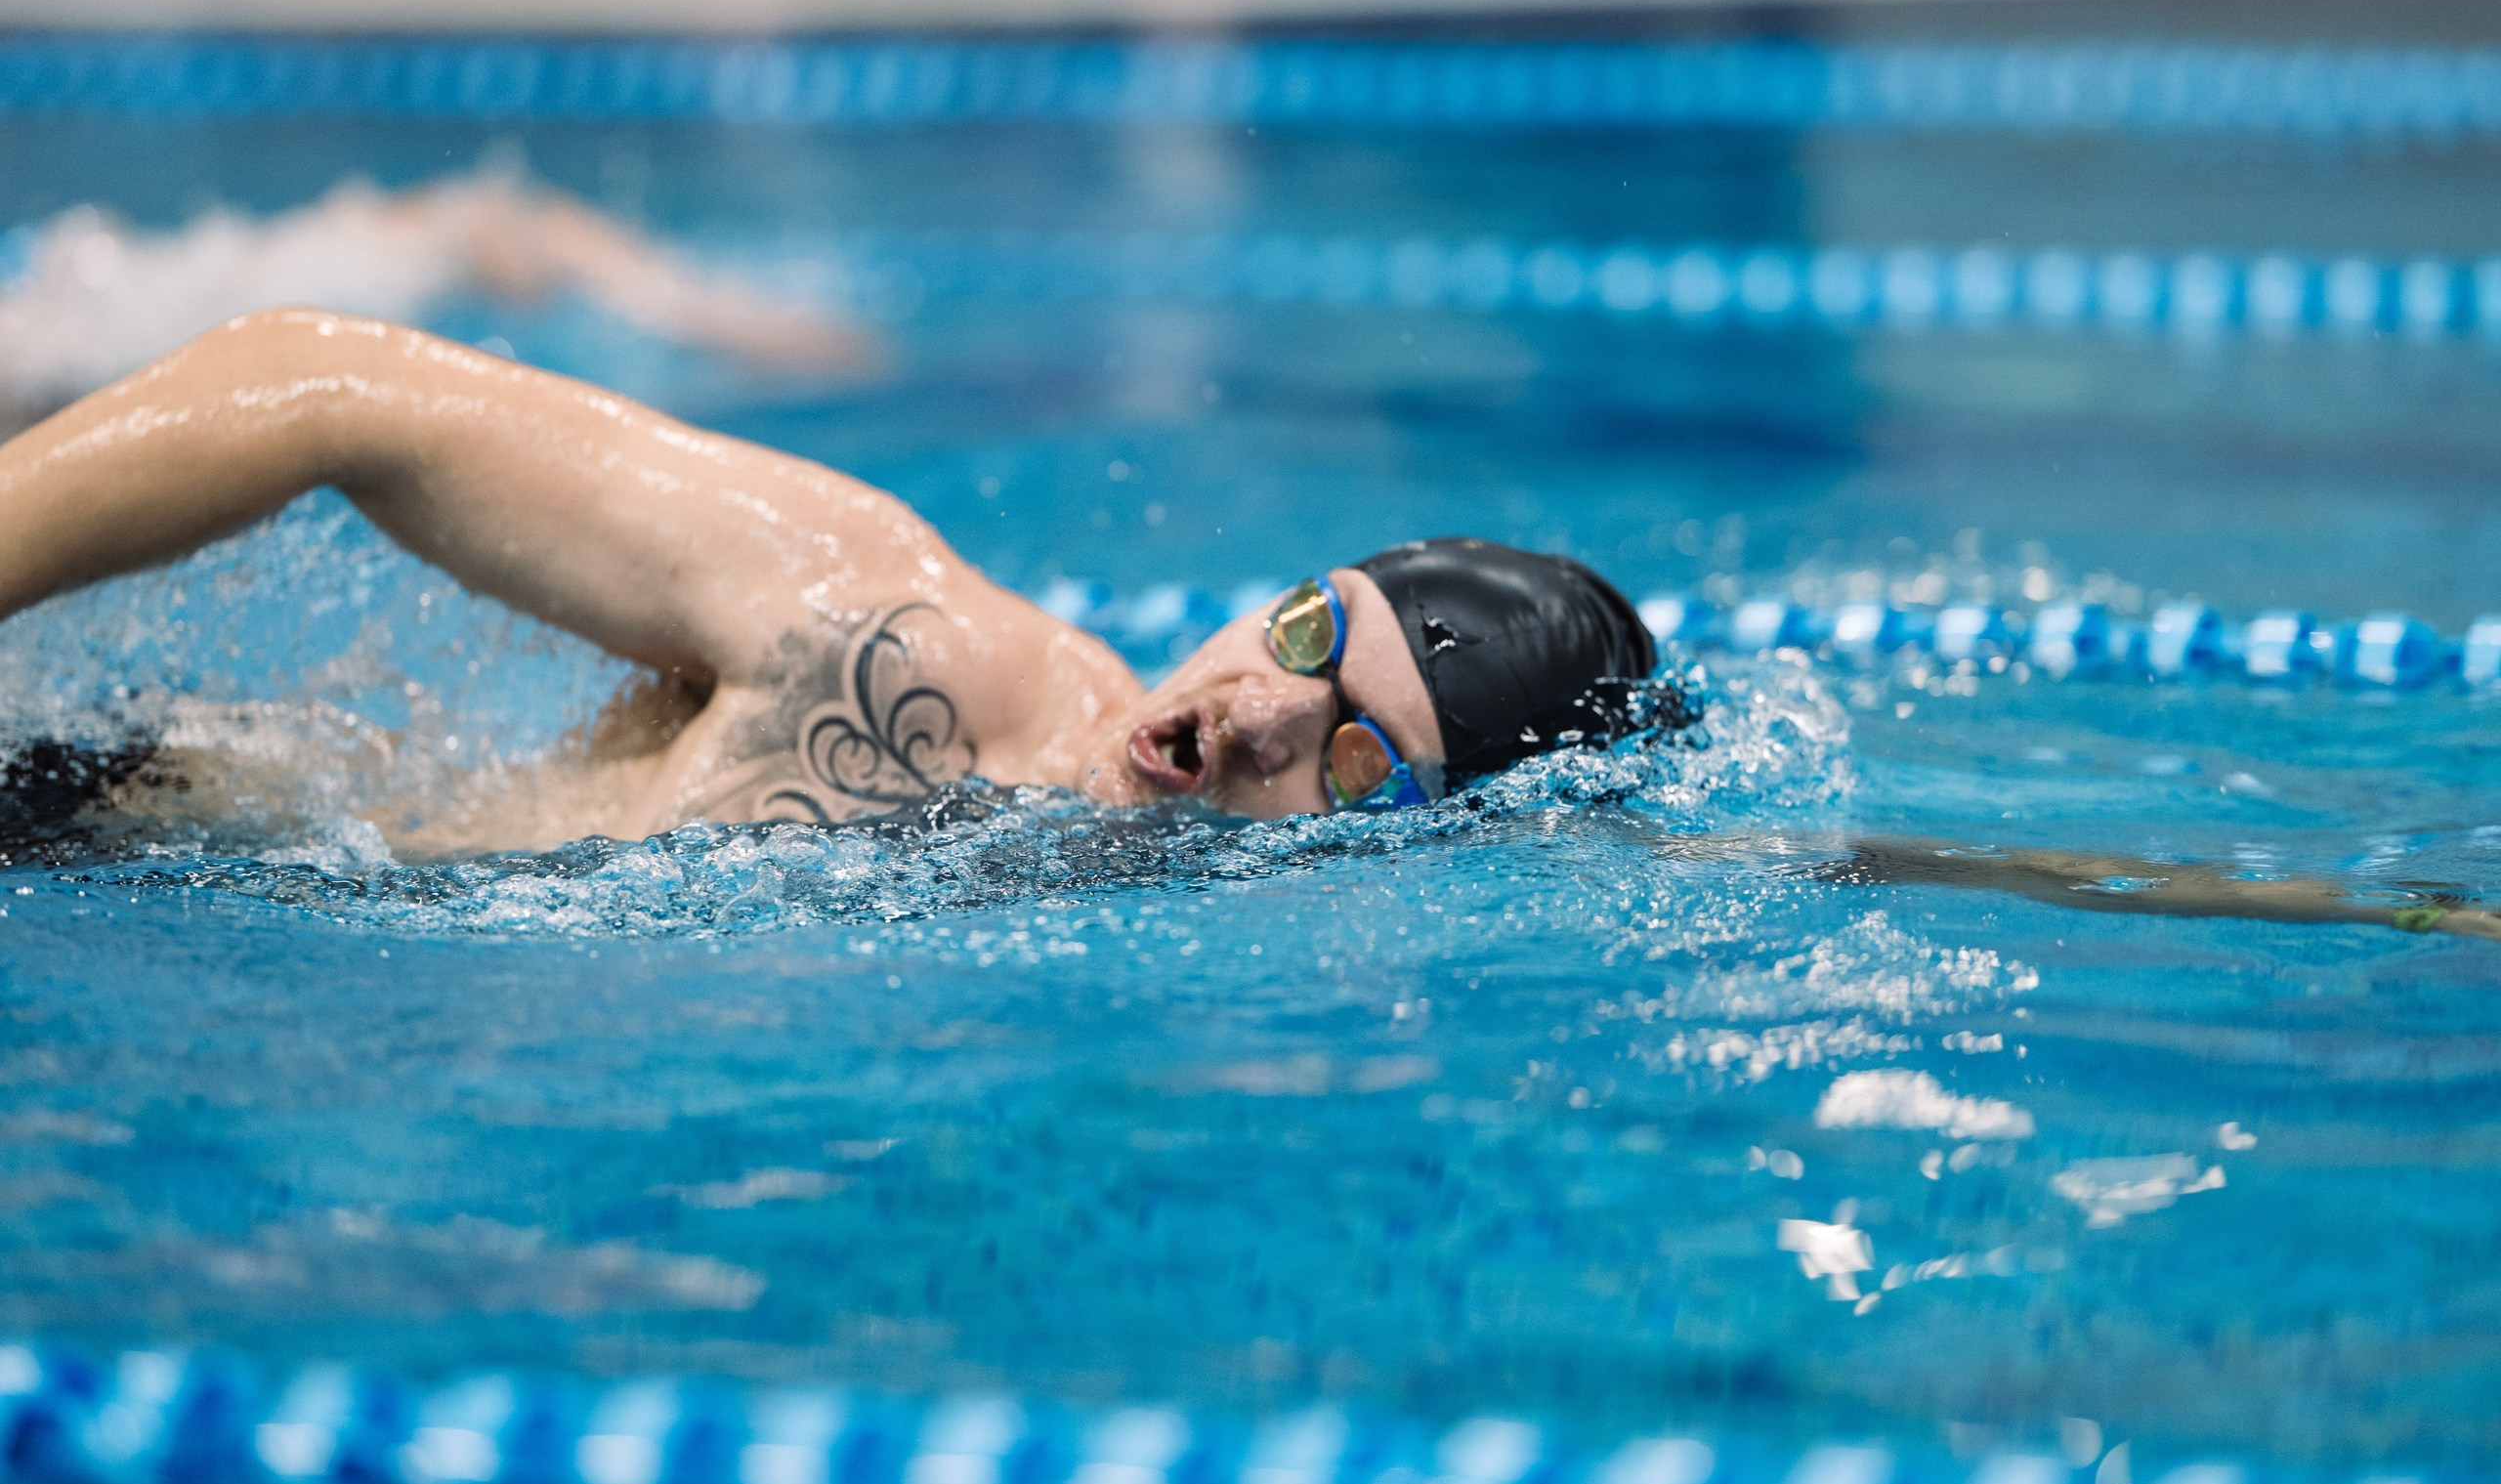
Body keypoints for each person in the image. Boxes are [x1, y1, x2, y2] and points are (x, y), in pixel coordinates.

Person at [0, 308, 1664, 857]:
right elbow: (323, 381)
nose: (1250, 713)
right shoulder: (912, 643)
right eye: (1305, 633)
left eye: (1351, 752)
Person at [0, 172, 871, 421]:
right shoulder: (403, 251)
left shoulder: (357, 252)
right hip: (117, 317)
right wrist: (703, 314)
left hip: (119, 295)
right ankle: (738, 322)